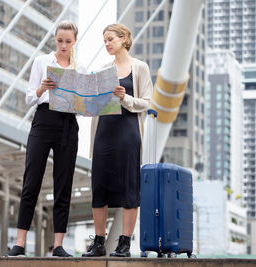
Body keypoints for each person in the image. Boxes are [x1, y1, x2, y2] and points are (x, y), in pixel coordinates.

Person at [4, 20, 85, 257]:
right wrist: (42, 88)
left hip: (68, 122)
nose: (63, 45)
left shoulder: (80, 69)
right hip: (43, 119)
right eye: (60, 40)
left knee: (63, 185)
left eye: (68, 41)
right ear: (55, 39)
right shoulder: (42, 62)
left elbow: (82, 107)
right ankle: (19, 243)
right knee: (31, 181)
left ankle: (58, 245)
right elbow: (29, 98)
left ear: (74, 42)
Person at [82, 23, 153, 257]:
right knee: (99, 186)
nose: (107, 43)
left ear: (124, 39)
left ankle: (124, 243)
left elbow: (147, 102)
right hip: (104, 132)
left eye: (110, 39)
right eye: (104, 40)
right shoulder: (102, 69)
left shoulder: (140, 67)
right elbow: (94, 104)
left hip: (128, 132)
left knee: (129, 187)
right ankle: (99, 242)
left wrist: (126, 98)